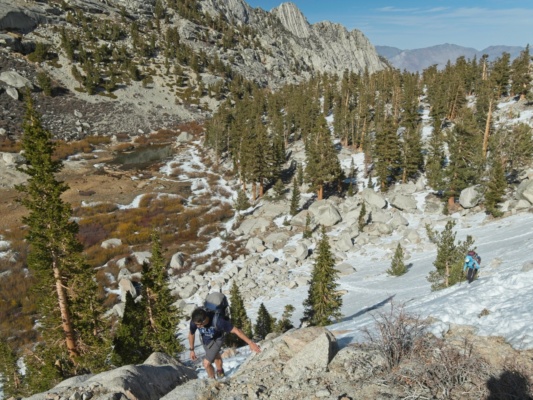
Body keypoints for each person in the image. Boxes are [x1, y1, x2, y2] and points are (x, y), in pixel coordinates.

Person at [188, 307, 261, 379]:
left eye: (199, 325)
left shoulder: (219, 321)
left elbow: (236, 330)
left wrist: (251, 343)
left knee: (206, 363)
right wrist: (192, 350)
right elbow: (191, 334)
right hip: (205, 340)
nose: (197, 326)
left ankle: (212, 381)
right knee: (216, 356)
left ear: (204, 320)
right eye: (196, 324)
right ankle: (220, 372)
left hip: (217, 339)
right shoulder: (195, 321)